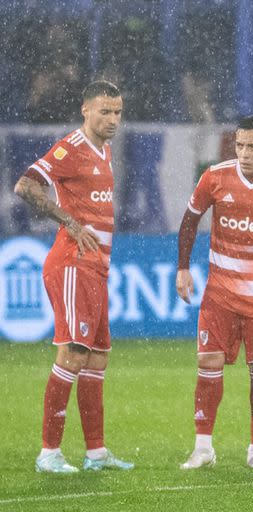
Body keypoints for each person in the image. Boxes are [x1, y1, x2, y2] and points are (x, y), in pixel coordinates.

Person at [14, 80, 133, 473]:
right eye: (104, 110)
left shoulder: (105, 150)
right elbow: (24, 185)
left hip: (95, 268)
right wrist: (68, 220)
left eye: (117, 111)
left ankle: (96, 453)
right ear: (85, 109)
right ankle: (49, 452)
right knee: (74, 353)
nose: (112, 118)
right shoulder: (71, 148)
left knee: (97, 359)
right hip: (72, 263)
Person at [176, 116, 253, 470]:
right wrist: (183, 267)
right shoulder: (215, 177)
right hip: (220, 295)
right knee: (208, 362)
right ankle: (203, 447)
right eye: (240, 145)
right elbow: (190, 219)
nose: (244, 154)